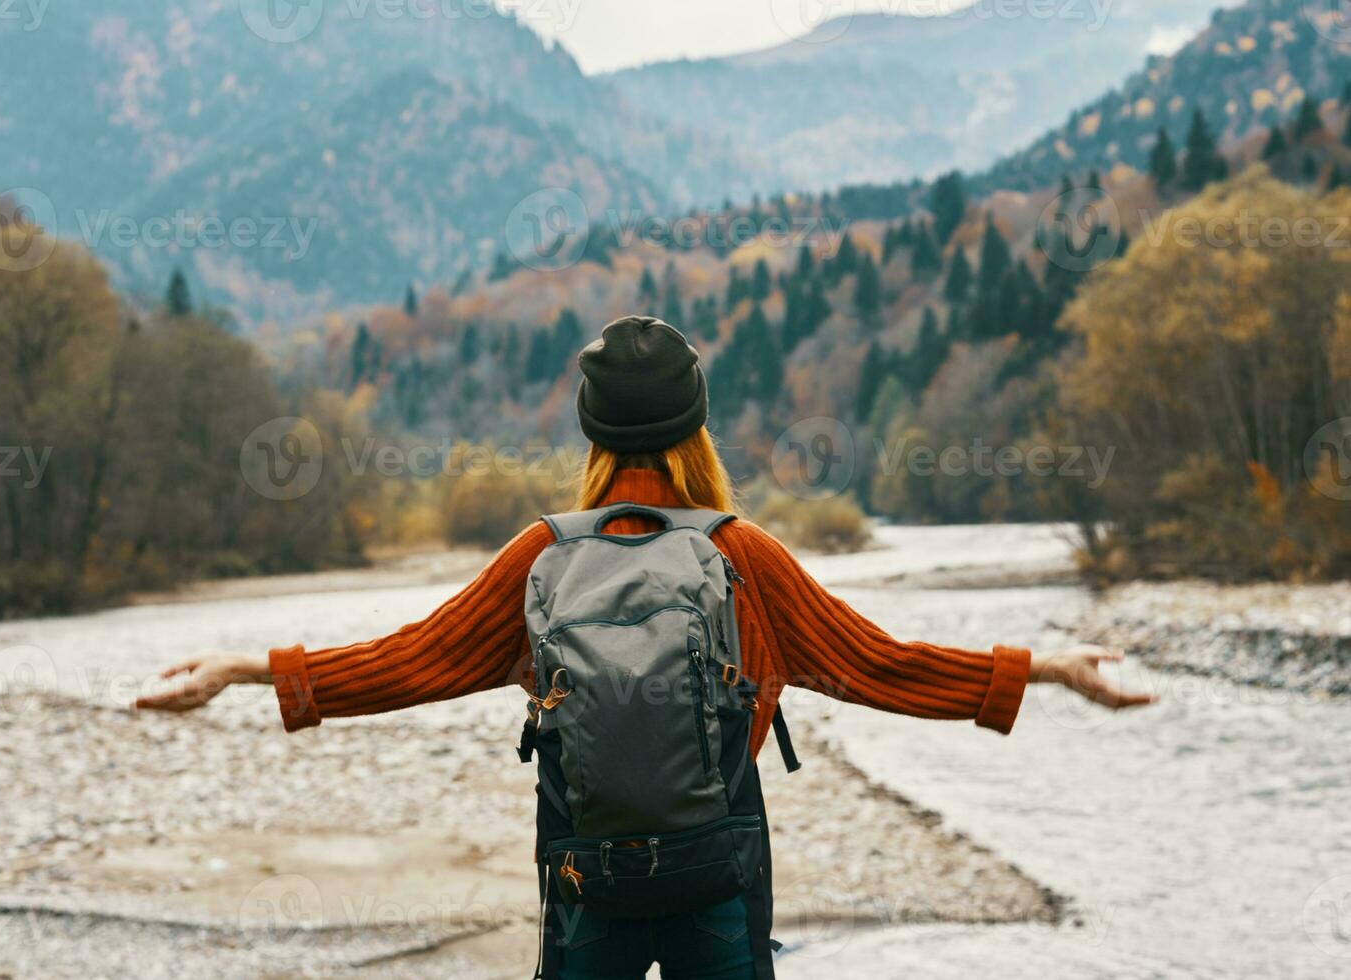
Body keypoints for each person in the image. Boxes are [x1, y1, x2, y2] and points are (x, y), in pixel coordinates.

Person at [137, 315, 1154, 978]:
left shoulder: (540, 558)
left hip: (590, 875)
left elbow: (411, 659)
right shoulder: (744, 554)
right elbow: (880, 664)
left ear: (590, 436)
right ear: (696, 429)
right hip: (719, 867)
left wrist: (245, 670)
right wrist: (1050, 668)